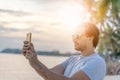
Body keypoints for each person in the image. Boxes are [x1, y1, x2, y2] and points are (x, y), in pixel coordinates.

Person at [22, 22, 106, 80]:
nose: (73, 39)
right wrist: (33, 57)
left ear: (90, 38)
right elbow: (49, 74)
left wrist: (35, 62)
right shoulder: (72, 59)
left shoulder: (97, 62)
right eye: (73, 36)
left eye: (77, 36)